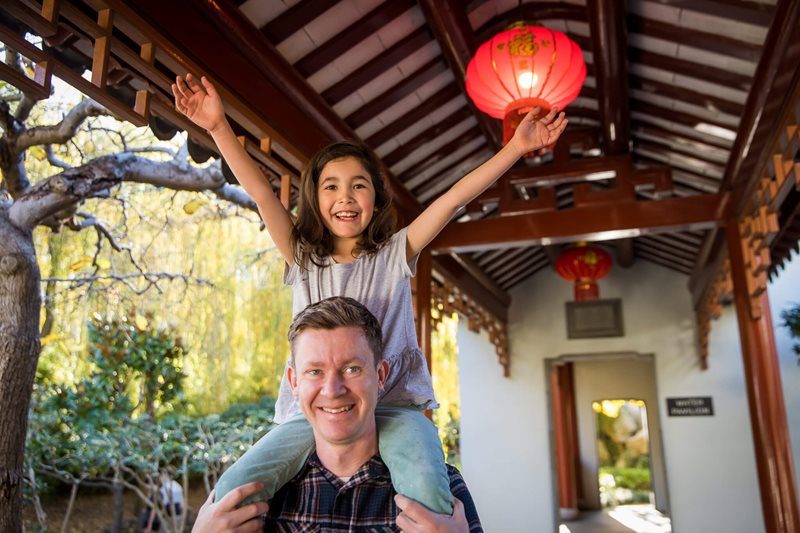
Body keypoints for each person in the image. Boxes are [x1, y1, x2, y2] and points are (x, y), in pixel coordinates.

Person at [172, 73, 566, 515]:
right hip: (315, 409)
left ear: (376, 199)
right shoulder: (302, 259)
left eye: (359, 185)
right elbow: (262, 194)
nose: (346, 197)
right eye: (331, 186)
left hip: (394, 406)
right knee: (234, 490)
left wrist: (514, 147)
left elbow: (454, 199)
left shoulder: (396, 253)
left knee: (426, 487)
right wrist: (217, 127)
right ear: (315, 199)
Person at [191, 296, 482, 532]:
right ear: (294, 382)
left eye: (352, 369)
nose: (332, 389)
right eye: (315, 371)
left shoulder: (442, 490)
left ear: (380, 375)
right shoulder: (257, 503)